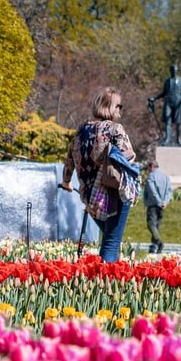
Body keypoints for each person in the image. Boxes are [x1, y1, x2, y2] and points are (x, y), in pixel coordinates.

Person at [61, 87, 140, 263]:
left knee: (109, 238)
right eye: (118, 105)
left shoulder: (82, 130)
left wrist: (66, 181)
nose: (120, 109)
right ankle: (103, 280)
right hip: (112, 193)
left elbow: (69, 159)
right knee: (111, 242)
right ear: (108, 106)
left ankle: (103, 278)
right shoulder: (115, 129)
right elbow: (128, 155)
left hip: (89, 197)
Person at [148, 64, 181, 146]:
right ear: (170, 71)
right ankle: (167, 139)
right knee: (168, 121)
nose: (174, 72)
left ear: (177, 71)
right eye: (173, 71)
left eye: (175, 71)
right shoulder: (167, 81)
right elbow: (163, 93)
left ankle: (178, 139)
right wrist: (155, 98)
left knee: (178, 122)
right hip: (168, 103)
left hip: (177, 103)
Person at [143, 160, 172, 254]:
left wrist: (159, 202)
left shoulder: (151, 176)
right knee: (157, 225)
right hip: (162, 205)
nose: (148, 170)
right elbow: (169, 191)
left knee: (151, 224)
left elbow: (152, 191)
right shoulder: (165, 176)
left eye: (148, 167)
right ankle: (154, 246)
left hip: (153, 204)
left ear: (151, 166)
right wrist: (165, 202)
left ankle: (158, 242)